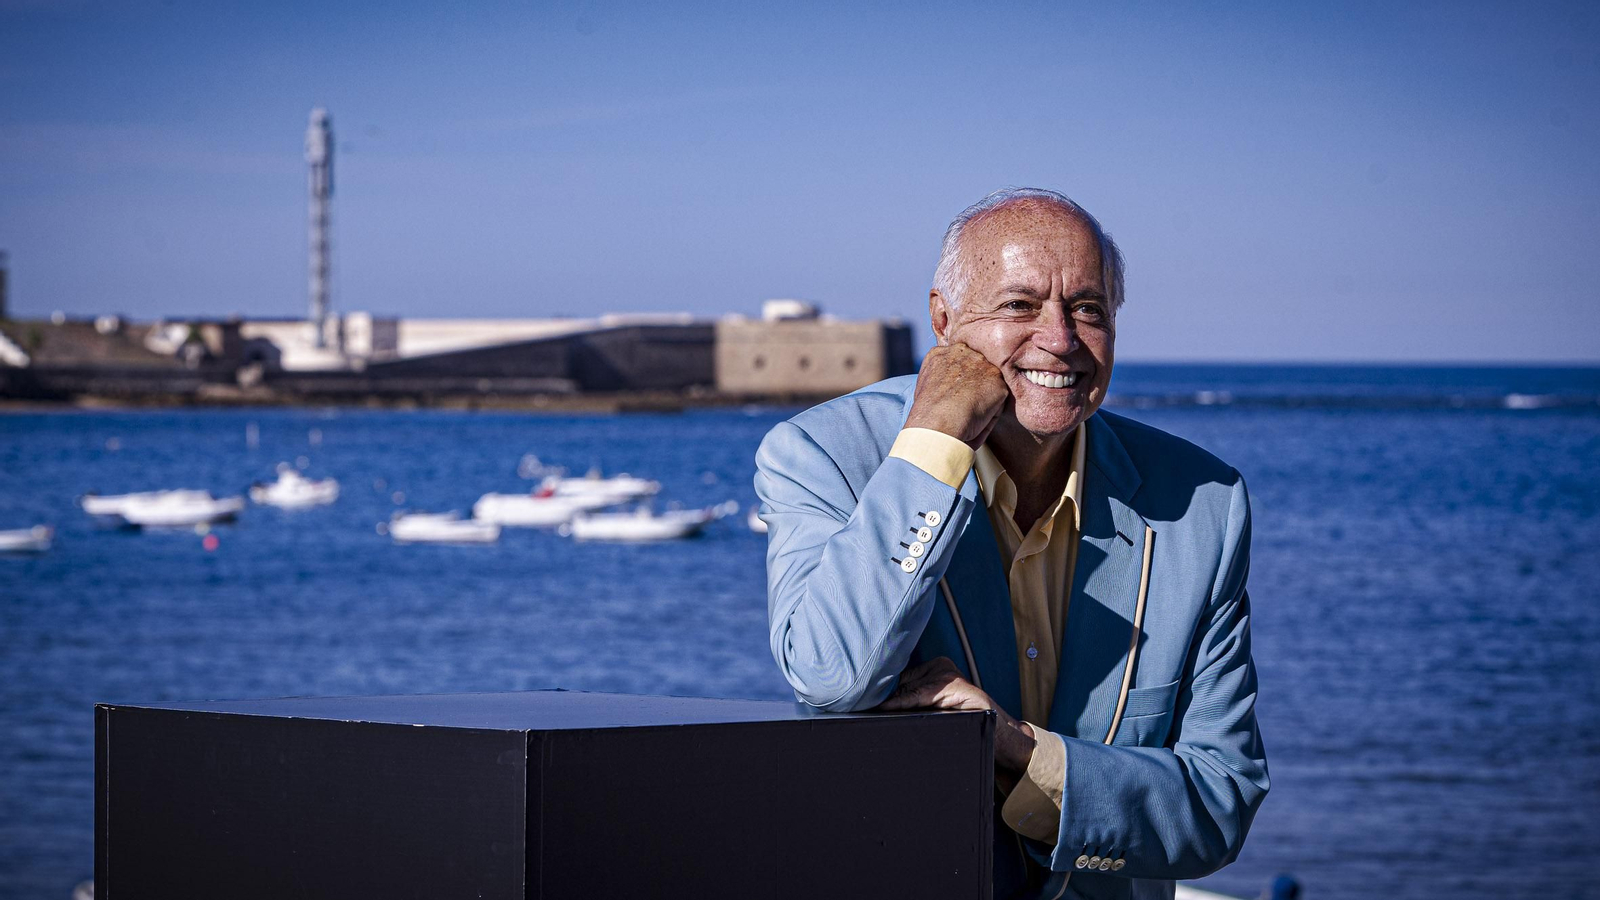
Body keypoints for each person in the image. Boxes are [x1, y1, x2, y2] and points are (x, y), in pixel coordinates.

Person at [755, 188, 1269, 899]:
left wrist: (1019, 750)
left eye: (1087, 308)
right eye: (1019, 306)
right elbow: (829, 672)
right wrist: (934, 445)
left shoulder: (1200, 505)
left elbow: (1221, 805)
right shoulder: (826, 455)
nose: (1059, 339)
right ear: (944, 321)